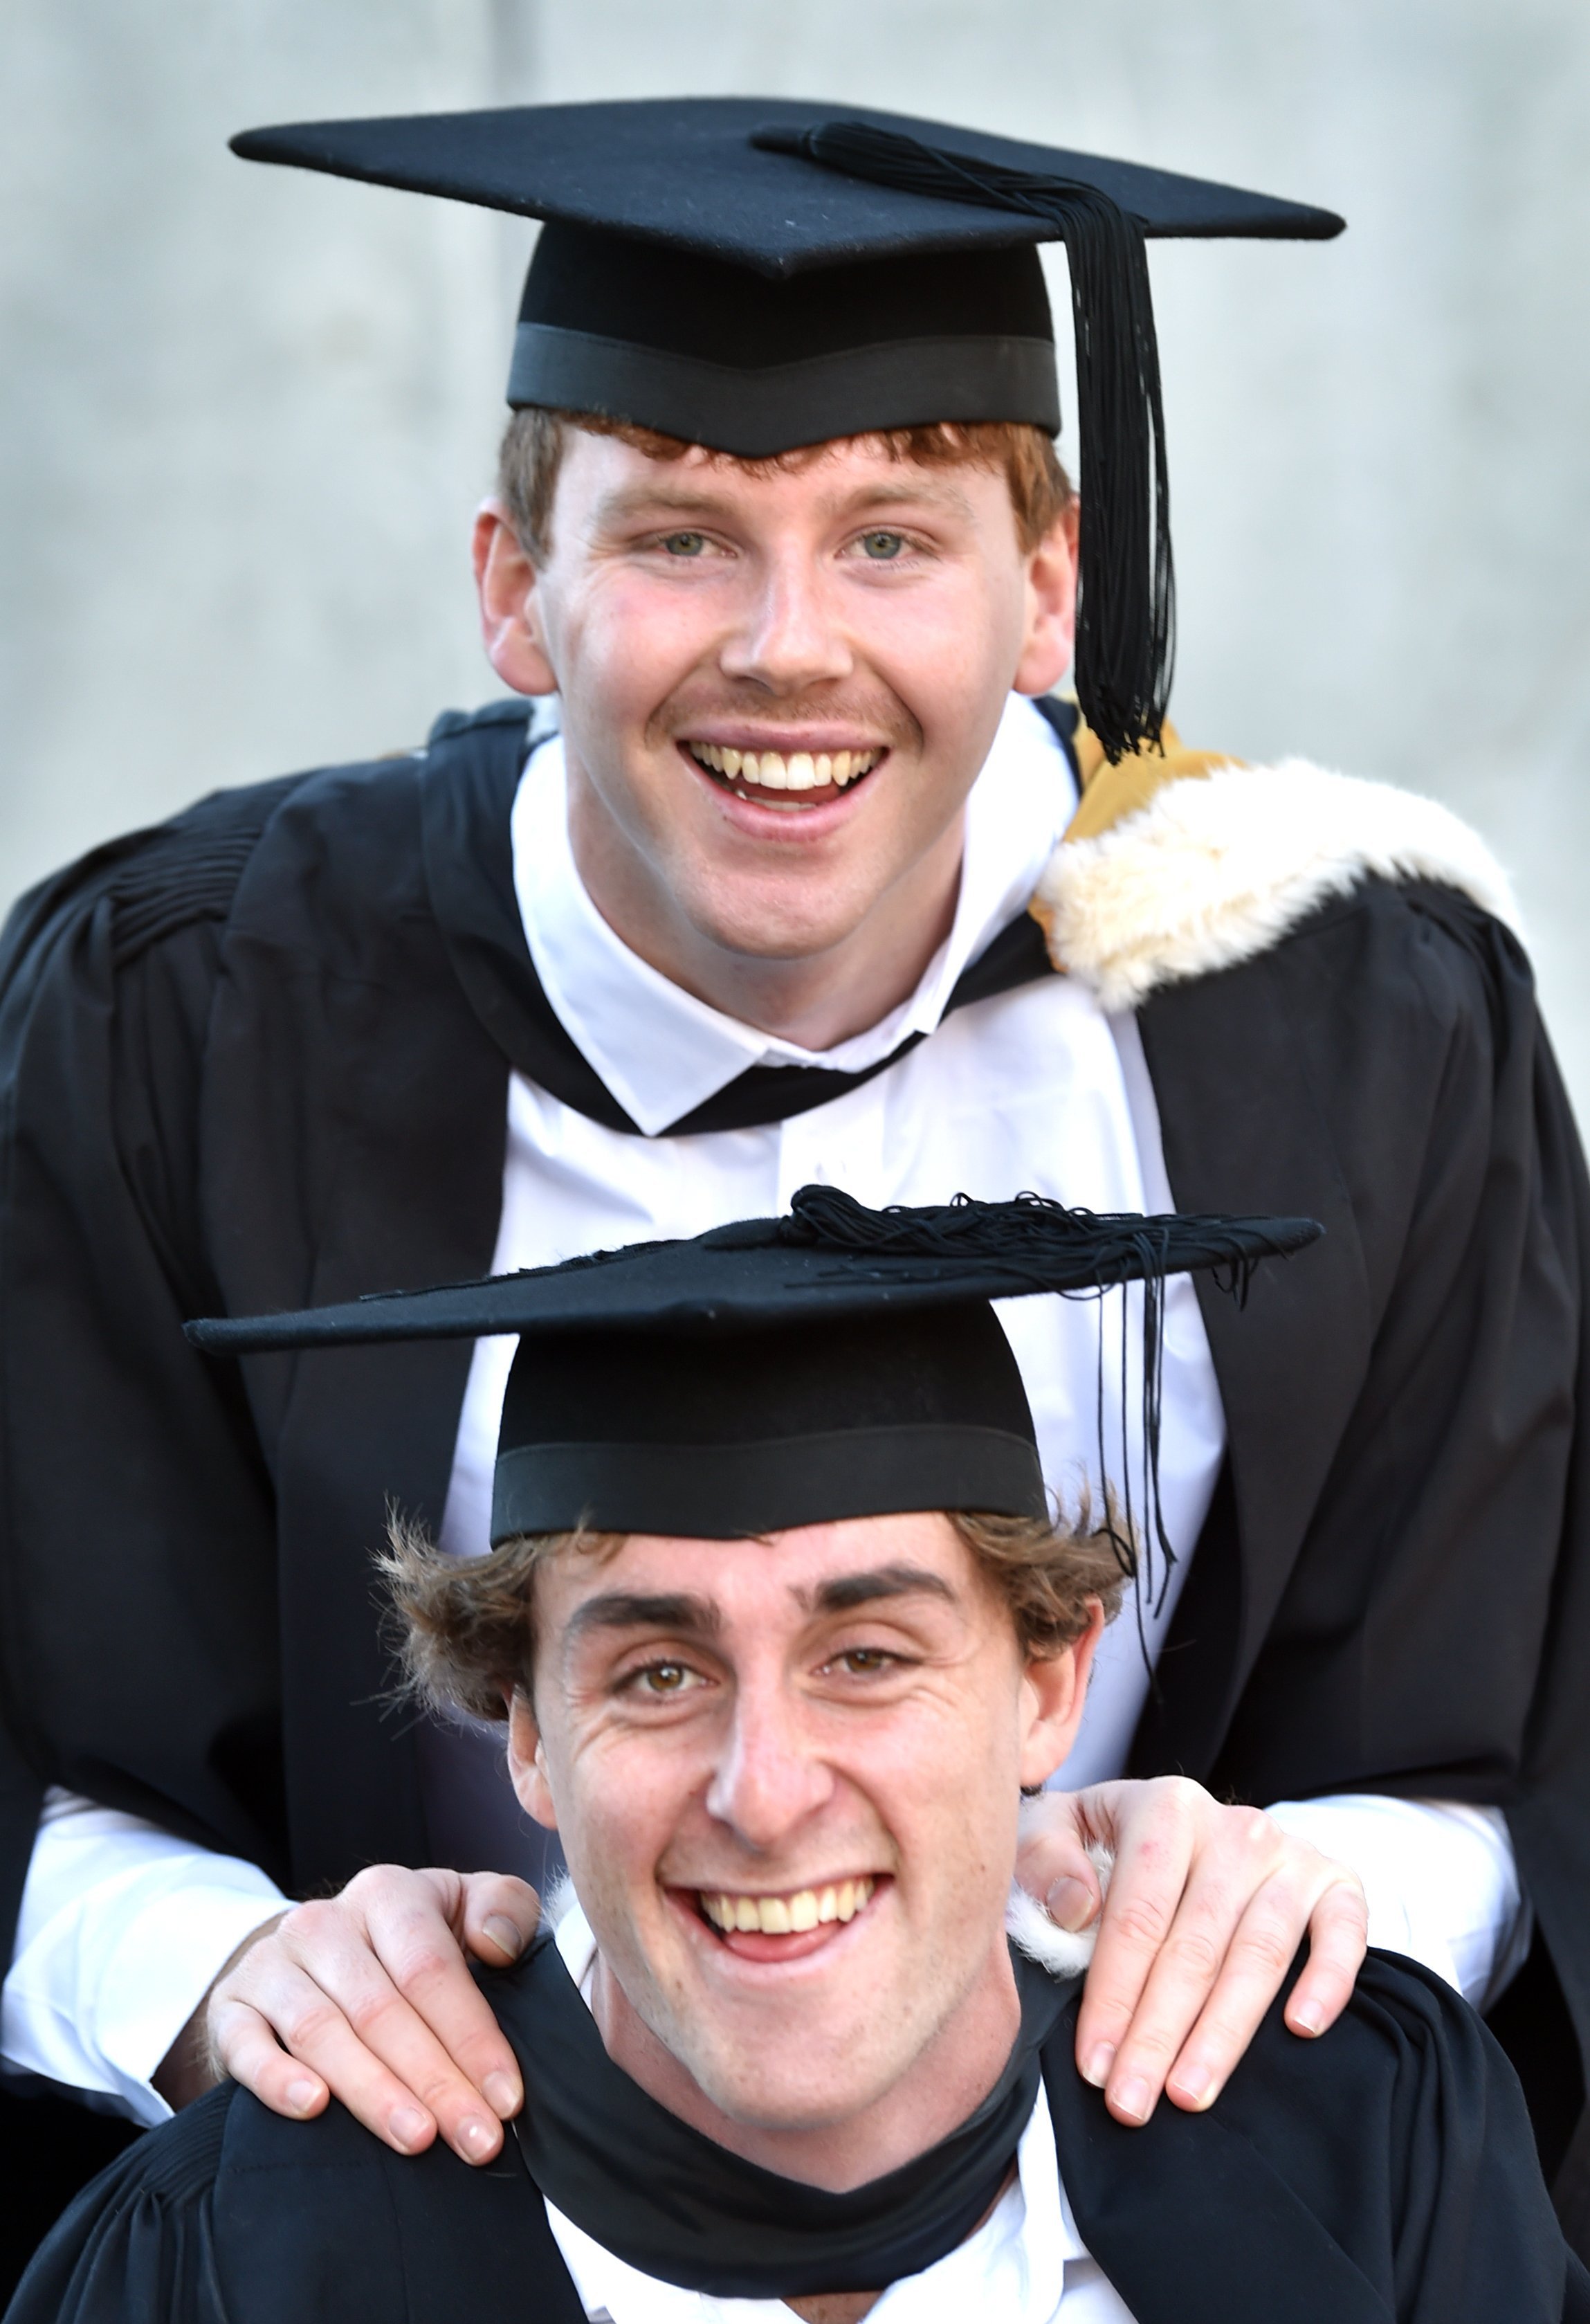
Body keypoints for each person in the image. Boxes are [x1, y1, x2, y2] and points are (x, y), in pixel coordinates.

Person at [0, 93, 1584, 2264]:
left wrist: (1323, 1891)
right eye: (675, 535)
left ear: (1050, 589)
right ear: (513, 591)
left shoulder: (1349, 1025)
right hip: (408, 2232)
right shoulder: (179, 1017)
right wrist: (205, 1969)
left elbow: (1528, 1722)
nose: (784, 646)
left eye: (890, 536)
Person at [9, 1193, 1584, 2324]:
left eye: (869, 1656)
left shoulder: (1367, 2144)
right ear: (528, 1734)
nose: (763, 1790)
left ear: (1051, 1684)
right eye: (659, 1669)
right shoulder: (231, 2259)